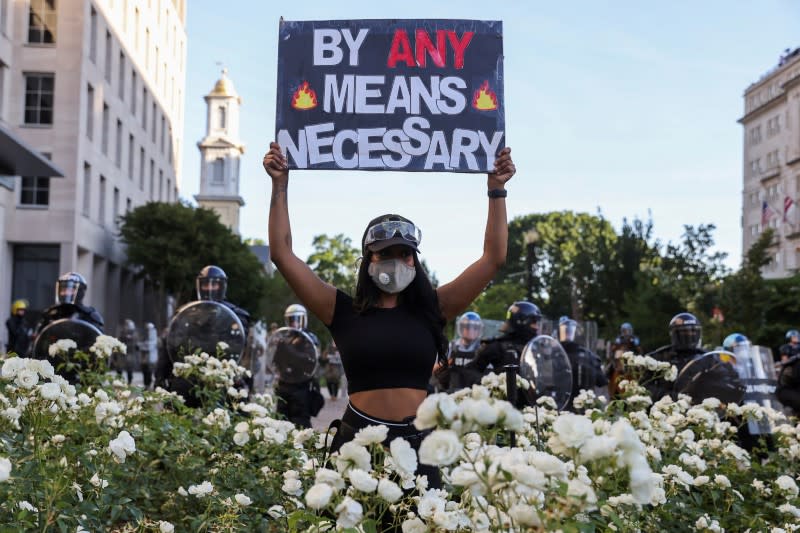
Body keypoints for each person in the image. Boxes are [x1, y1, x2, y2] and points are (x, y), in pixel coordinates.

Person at [263, 140, 515, 484]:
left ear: (416, 259)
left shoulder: (433, 309)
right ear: (369, 260)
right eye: (386, 254)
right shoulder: (341, 311)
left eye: (405, 253)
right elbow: (281, 253)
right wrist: (280, 183)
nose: (398, 261)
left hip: (419, 448)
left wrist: (496, 190)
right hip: (356, 446)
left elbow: (493, 259)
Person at [467, 301, 543, 407]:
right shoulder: (497, 346)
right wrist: (492, 382)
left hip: (533, 409)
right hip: (504, 408)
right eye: (533, 321)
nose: (536, 327)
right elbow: (471, 371)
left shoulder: (538, 347)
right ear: (520, 320)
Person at [273, 303, 322, 428]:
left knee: (300, 422)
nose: (294, 323)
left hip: (301, 386)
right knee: (280, 420)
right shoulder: (284, 339)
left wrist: (290, 351)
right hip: (284, 384)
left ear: (303, 319)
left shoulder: (310, 339)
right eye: (291, 320)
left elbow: (308, 361)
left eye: (297, 320)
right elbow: (276, 361)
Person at [644, 312, 705, 400]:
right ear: (675, 334)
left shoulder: (707, 357)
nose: (689, 335)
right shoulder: (659, 357)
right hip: (667, 408)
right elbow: (645, 386)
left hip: (702, 407)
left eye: (693, 331)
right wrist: (670, 396)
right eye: (684, 332)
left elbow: (721, 381)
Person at [557, 316, 607, 410]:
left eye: (569, 332)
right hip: (565, 406)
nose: (567, 335)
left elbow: (601, 381)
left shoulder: (556, 354)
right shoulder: (555, 354)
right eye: (565, 332)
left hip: (579, 406)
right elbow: (602, 381)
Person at [33, 272, 104, 337]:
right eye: (63, 290)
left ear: (80, 291)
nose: (66, 293)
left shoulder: (89, 315)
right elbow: (37, 339)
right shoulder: (50, 314)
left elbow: (98, 340)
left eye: (70, 290)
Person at [196, 265, 251, 337]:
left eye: (214, 284)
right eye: (205, 284)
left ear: (222, 286)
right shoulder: (189, 313)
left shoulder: (236, 315)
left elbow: (237, 342)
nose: (209, 288)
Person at [442, 311, 485, 391]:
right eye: (467, 327)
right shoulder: (451, 347)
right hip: (452, 392)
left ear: (479, 330)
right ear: (461, 328)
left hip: (476, 393)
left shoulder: (483, 349)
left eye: (475, 328)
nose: (470, 331)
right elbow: (439, 371)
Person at [118, 319, 140, 384]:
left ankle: (129, 381)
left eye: (127, 324)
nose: (126, 326)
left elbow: (136, 342)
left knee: (129, 367)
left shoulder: (134, 333)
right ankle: (119, 380)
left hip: (130, 352)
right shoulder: (122, 332)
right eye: (126, 324)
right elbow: (119, 340)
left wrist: (131, 338)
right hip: (122, 352)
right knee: (120, 367)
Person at [139, 322, 158, 389]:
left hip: (151, 357)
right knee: (144, 371)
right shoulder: (143, 334)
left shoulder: (153, 333)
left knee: (150, 371)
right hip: (144, 356)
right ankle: (146, 384)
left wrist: (143, 345)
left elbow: (150, 345)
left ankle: (149, 384)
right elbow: (140, 344)